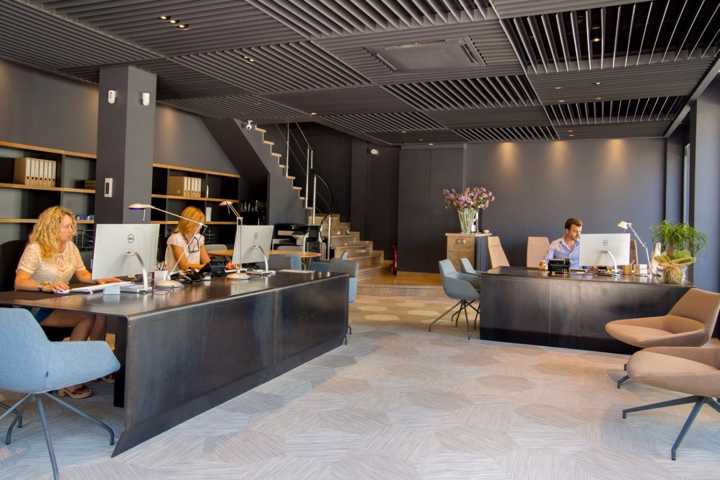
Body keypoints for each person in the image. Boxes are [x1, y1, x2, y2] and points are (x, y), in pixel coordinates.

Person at [14, 206, 119, 399]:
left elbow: (82, 273)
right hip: (36, 306)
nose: (72, 231)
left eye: (72, 226)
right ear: (52, 227)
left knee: (100, 313)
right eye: (67, 226)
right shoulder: (35, 249)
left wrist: (100, 279)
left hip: (60, 303)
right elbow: (20, 281)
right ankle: (69, 378)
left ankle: (93, 365)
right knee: (86, 317)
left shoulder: (70, 247)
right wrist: (44, 286)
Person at [165, 206, 211, 271]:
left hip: (194, 275)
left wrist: (218, 266)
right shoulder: (175, 238)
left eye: (201, 224)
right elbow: (184, 266)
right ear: (190, 223)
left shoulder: (199, 238)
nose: (201, 227)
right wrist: (203, 267)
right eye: (198, 224)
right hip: (177, 276)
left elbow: (207, 262)